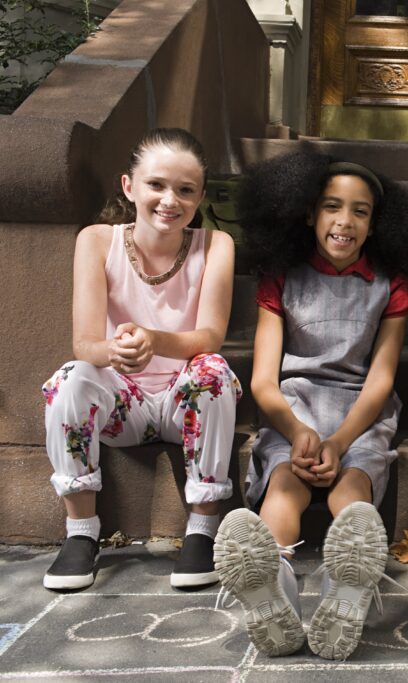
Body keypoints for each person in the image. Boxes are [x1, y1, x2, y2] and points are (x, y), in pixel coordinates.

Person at [213, 152, 408, 659]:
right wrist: (296, 433)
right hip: (292, 409)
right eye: (331, 207)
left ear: (376, 224)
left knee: (355, 486)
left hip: (359, 413)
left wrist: (339, 441)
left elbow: (381, 380)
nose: (344, 221)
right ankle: (275, 592)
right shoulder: (281, 276)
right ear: (308, 213)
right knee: (285, 486)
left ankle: (349, 583)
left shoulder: (390, 284)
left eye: (360, 211)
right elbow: (265, 382)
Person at [41, 128, 240, 592]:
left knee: (214, 372)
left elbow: (210, 336)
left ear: (200, 197)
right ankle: (81, 533)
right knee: (70, 379)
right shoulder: (96, 241)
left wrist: (154, 339)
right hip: (120, 406)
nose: (170, 200)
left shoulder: (216, 245)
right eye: (157, 185)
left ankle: (201, 530)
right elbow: (85, 343)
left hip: (181, 404)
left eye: (185, 190)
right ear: (130, 186)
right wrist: (113, 351)